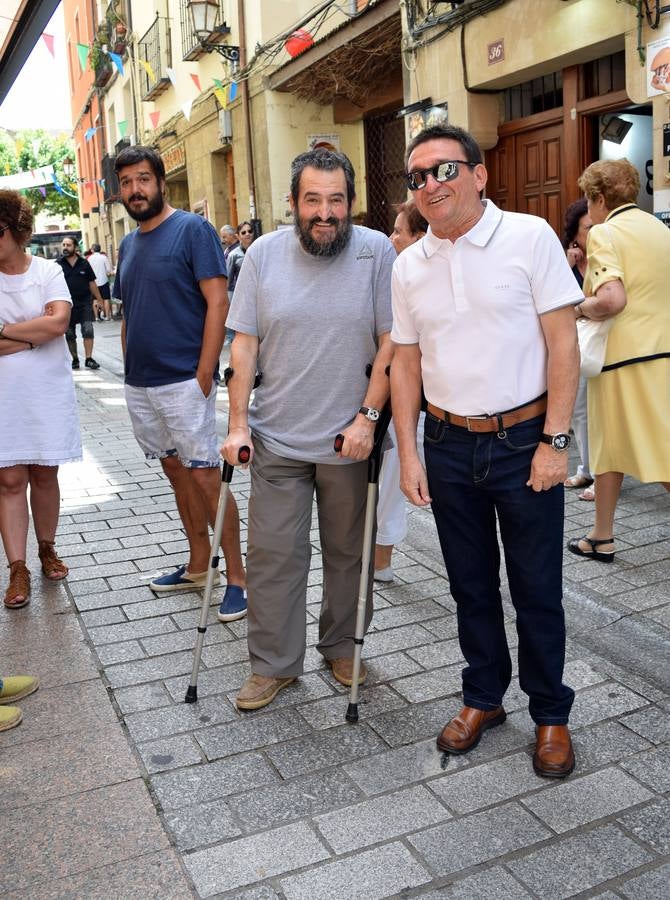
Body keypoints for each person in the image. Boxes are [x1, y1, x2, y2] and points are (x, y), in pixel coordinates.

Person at [391, 125, 581, 778]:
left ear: (478, 175)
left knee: (536, 588)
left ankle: (551, 713)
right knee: (469, 585)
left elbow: (563, 344)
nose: (429, 185)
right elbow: (406, 365)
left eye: (442, 169)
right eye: (417, 177)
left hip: (525, 440)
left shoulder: (529, 238)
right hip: (446, 445)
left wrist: (555, 441)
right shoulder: (408, 265)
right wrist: (410, 455)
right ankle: (484, 698)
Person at [222, 148, 394, 711]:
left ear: (351, 201)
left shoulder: (376, 252)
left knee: (349, 552)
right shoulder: (263, 255)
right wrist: (238, 424)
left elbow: (393, 343)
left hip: (350, 439)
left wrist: (368, 418)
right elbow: (244, 343)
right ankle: (274, 664)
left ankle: (342, 646)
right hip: (276, 437)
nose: (326, 213)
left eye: (337, 200)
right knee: (273, 554)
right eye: (313, 200)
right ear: (293, 203)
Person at [112, 146, 246, 621]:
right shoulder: (128, 244)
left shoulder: (192, 230)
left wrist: (206, 370)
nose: (135, 190)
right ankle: (195, 564)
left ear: (160, 182)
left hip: (184, 381)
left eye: (143, 179)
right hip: (141, 383)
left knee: (206, 476)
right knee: (175, 472)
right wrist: (128, 364)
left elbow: (218, 302)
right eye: (126, 182)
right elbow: (129, 312)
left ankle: (236, 577)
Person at [568, 158, 670, 564]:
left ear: (598, 198)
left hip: (624, 360)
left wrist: (579, 306)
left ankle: (602, 535)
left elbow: (612, 300)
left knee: (659, 451)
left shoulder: (605, 232)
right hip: (660, 352)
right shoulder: (659, 229)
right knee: (610, 446)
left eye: (587, 199)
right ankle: (601, 535)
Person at [0, 190, 81, 608]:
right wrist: (36, 335)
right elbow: (46, 326)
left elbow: (59, 322)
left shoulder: (48, 270)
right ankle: (17, 567)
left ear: (17, 229)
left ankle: (47, 546)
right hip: (4, 395)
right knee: (10, 479)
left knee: (45, 474)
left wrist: (8, 334)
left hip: (46, 389)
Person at [374, 200, 427, 582]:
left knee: (391, 483)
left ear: (419, 238)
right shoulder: (401, 273)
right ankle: (379, 561)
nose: (391, 238)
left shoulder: (411, 279)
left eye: (398, 231)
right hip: (414, 400)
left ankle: (380, 562)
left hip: (412, 402)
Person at [562, 199, 595, 501]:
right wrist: (568, 263)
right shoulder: (566, 262)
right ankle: (587, 468)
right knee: (579, 411)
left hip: (600, 346)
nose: (594, 231)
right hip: (575, 344)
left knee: (602, 412)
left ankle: (602, 475)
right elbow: (558, 303)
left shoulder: (604, 258)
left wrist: (580, 310)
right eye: (588, 227)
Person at [56, 235, 104, 370]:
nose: (65, 247)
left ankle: (88, 359)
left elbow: (92, 282)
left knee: (88, 329)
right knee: (69, 333)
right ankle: (75, 359)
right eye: (63, 245)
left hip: (84, 302)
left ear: (75, 247)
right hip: (66, 304)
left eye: (68, 245)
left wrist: (99, 299)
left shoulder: (84, 263)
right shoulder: (57, 264)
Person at [224, 222, 254, 345]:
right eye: (243, 232)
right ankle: (232, 339)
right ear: (238, 236)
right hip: (238, 293)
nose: (247, 234)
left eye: (250, 231)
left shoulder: (260, 249)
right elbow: (228, 278)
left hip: (256, 293)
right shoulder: (233, 255)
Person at [88, 243, 114, 321]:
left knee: (95, 299)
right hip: (104, 280)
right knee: (106, 298)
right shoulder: (104, 257)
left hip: (94, 282)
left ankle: (96, 317)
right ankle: (107, 316)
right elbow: (109, 270)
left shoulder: (89, 258)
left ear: (92, 250)